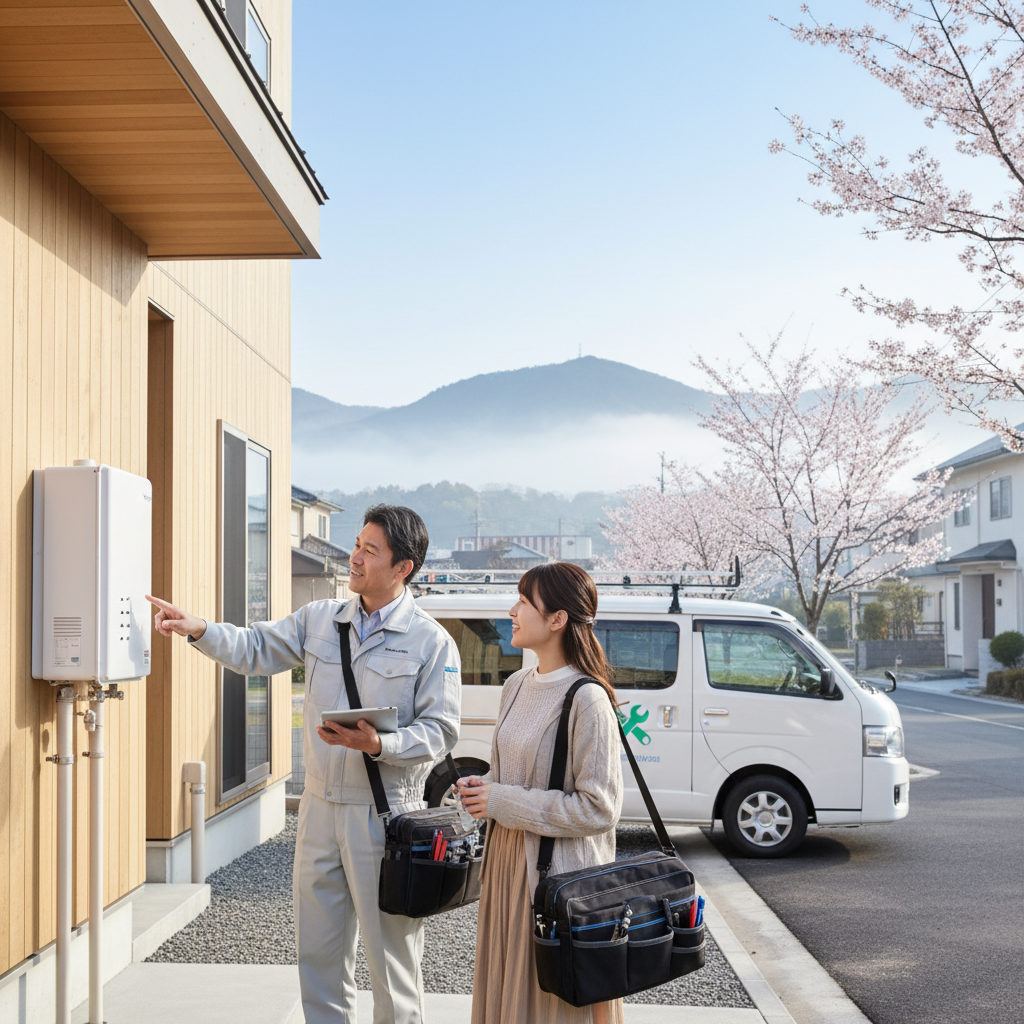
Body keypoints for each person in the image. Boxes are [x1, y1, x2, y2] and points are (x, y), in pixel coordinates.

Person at [146, 504, 461, 1024]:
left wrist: (380, 746)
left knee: (391, 962)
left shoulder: (430, 641)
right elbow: (254, 648)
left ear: (403, 567)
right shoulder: (322, 619)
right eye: (357, 544)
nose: (355, 557)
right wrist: (198, 628)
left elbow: (442, 730)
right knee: (318, 953)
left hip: (384, 816)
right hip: (317, 809)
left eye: (369, 550)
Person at [457, 562, 624, 1024]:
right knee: (509, 998)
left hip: (557, 880)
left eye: (525, 602)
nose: (512, 611)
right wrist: (484, 788)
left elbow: (600, 808)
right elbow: (511, 773)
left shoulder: (588, 698)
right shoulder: (515, 685)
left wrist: (501, 801)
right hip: (509, 866)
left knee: (549, 1004)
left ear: (557, 619)